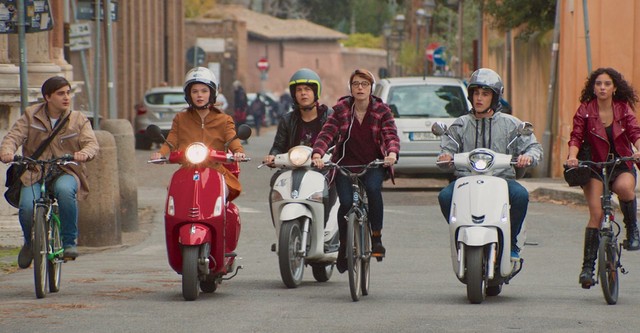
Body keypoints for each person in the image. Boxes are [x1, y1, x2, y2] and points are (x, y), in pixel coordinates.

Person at [436, 68, 543, 261]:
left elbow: (534, 147)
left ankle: (511, 242)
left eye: (485, 94)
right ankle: (460, 234)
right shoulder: (459, 124)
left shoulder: (511, 124)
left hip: (501, 180)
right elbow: (447, 149)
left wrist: (528, 156)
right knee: (445, 196)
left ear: (495, 97)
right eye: (476, 93)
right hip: (466, 181)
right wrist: (445, 156)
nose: (479, 98)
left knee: (520, 195)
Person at [0, 76, 100, 267]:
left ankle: (69, 242)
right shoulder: (31, 115)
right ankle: (30, 244)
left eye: (68, 93)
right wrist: (7, 150)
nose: (66, 97)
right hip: (35, 170)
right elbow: (13, 136)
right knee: (27, 207)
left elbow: (91, 144)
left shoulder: (78, 119)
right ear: (47, 97)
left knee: (65, 191)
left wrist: (84, 154)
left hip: (66, 169)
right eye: (61, 93)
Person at [311, 68, 400, 273]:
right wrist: (318, 154)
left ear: (371, 87)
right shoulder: (342, 109)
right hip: (345, 164)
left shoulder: (381, 110)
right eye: (356, 84)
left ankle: (376, 238)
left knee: (373, 189)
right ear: (350, 88)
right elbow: (327, 133)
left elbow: (390, 136)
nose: (360, 88)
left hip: (373, 164)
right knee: (345, 203)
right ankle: (343, 246)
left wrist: (392, 154)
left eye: (365, 84)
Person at [564, 67, 640, 289]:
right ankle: (587, 268)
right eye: (598, 84)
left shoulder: (623, 109)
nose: (603, 87)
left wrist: (638, 149)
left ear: (614, 87)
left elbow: (635, 133)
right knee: (596, 215)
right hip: (594, 165)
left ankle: (632, 229)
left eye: (607, 84)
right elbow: (576, 136)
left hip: (620, 163)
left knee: (626, 189)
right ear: (593, 87)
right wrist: (572, 158)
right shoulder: (585, 110)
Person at [151, 67, 246, 201]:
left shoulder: (224, 120)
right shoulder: (181, 118)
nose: (199, 95)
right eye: (194, 91)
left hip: (216, 171)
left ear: (212, 93)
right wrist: (160, 154)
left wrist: (238, 151)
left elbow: (232, 137)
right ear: (189, 94)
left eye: (204, 91)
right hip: (187, 170)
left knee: (220, 199)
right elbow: (171, 139)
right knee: (174, 198)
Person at [263, 68, 336, 222]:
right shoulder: (288, 120)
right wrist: (272, 156)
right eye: (299, 90)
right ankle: (281, 226)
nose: (303, 93)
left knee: (331, 186)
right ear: (293, 94)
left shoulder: (329, 117)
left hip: (322, 169)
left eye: (308, 89)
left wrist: (327, 158)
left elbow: (337, 144)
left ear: (316, 92)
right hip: (293, 168)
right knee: (275, 183)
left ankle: (324, 225)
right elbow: (278, 145)